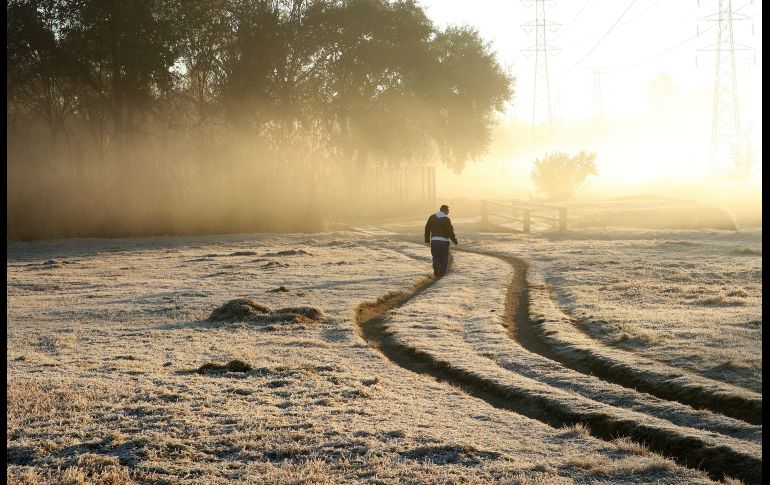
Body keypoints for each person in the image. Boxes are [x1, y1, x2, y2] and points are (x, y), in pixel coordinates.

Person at [424, 204, 458, 277]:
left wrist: (427, 239)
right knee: (444, 257)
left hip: (434, 240)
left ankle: (436, 266)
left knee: (435, 255)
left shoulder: (432, 217)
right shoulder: (446, 219)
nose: (448, 212)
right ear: (445, 210)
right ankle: (441, 274)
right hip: (444, 241)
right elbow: (450, 231)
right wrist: (454, 240)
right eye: (448, 210)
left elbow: (427, 228)